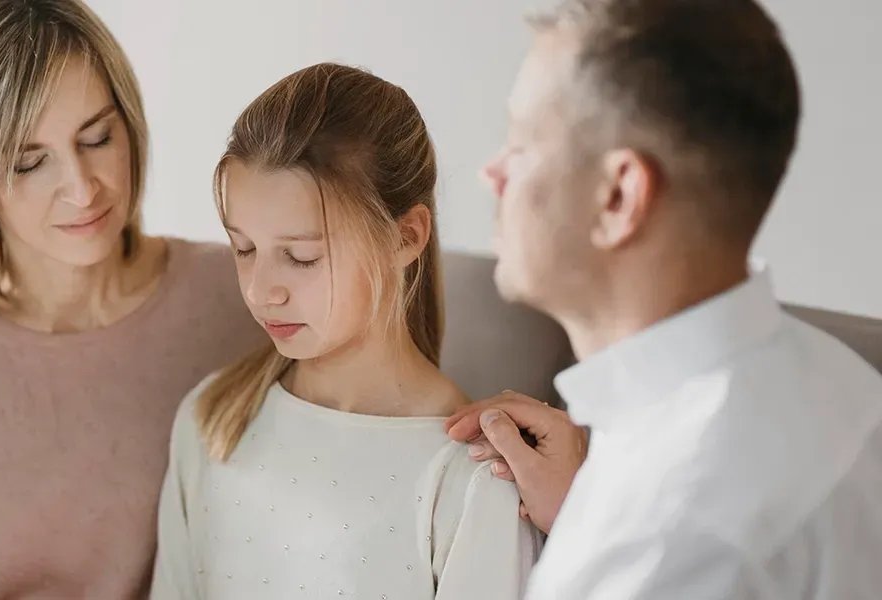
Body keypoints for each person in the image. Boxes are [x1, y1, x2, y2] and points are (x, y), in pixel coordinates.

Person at [445, 0, 882, 597]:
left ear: (619, 197)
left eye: (521, 145)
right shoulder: (847, 389)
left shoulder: (666, 546)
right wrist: (584, 514)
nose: (491, 174)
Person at [0, 1, 264, 597]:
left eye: (96, 137)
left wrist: (442, 427)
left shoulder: (244, 292)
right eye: (29, 162)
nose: (82, 187)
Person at [149, 63, 541, 600]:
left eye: (302, 257)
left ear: (405, 236)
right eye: (243, 249)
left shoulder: (473, 478)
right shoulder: (210, 418)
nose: (263, 291)